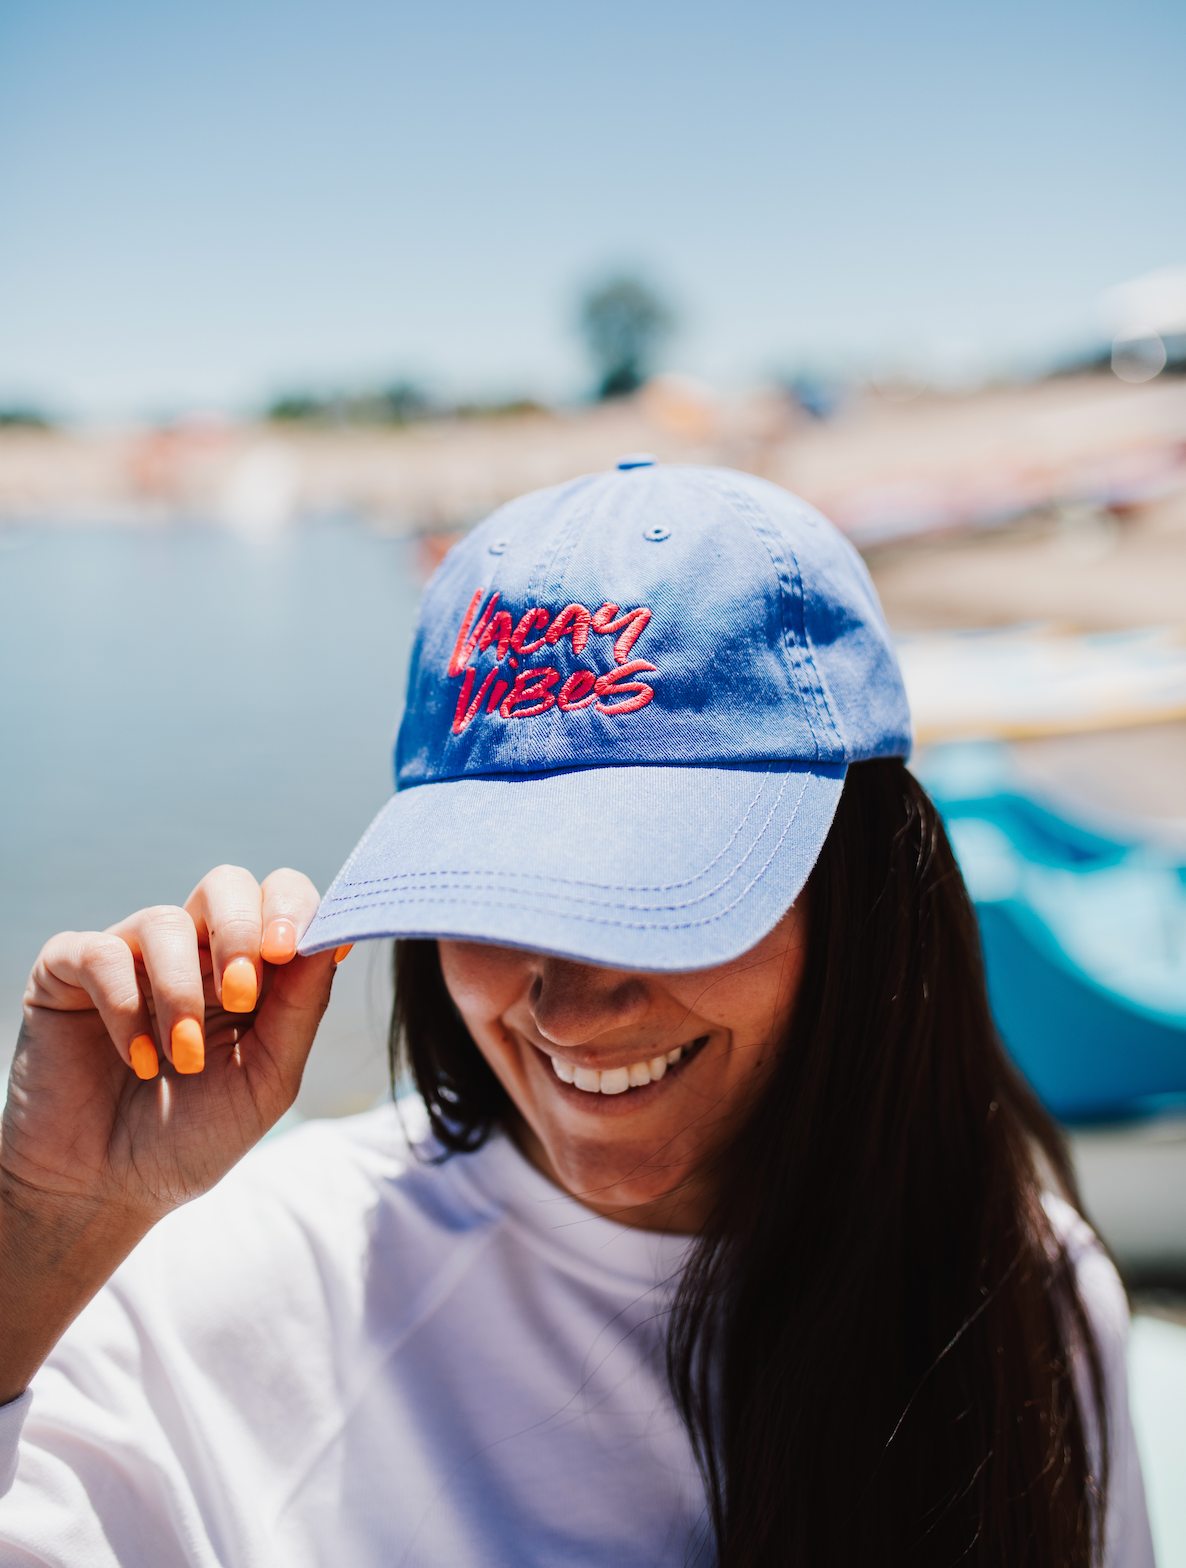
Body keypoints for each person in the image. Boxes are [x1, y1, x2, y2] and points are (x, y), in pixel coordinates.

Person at [0, 462, 1154, 1567]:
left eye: (660, 889)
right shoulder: (226, 1286)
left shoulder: (1021, 1290)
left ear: (863, 894)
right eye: (496, 892)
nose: (568, 1002)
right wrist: (44, 1224)